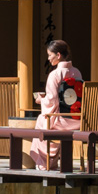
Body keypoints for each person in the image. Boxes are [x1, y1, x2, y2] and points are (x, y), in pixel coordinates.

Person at [31, 39, 83, 169]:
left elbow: (52, 100)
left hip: (63, 121)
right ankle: (50, 161)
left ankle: (46, 162)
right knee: (45, 120)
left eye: (50, 55)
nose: (48, 58)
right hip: (77, 119)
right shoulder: (77, 72)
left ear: (58, 55)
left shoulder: (55, 74)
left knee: (42, 120)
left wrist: (40, 100)